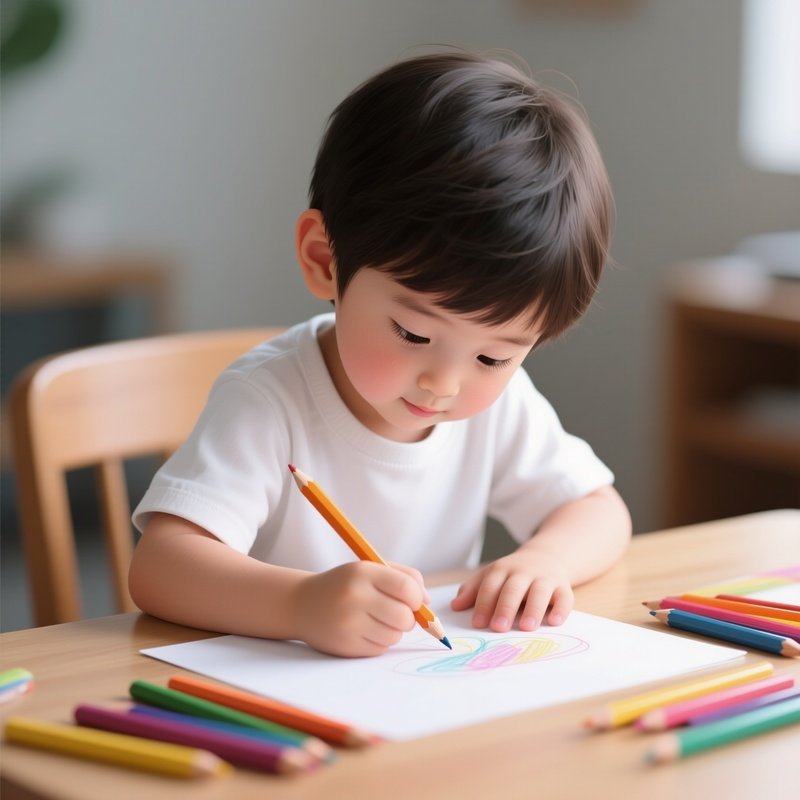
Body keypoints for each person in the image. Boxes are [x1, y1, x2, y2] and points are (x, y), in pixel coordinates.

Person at [129, 50, 631, 658]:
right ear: (324, 260)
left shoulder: (498, 409)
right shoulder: (269, 401)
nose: (444, 383)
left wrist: (544, 559)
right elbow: (159, 568)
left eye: (495, 359)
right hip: (273, 709)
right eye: (415, 335)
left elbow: (599, 510)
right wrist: (300, 604)